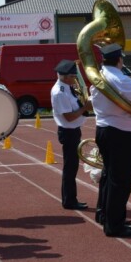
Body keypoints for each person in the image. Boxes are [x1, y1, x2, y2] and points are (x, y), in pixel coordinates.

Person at [91, 43, 131, 237]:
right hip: (121, 134)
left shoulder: (98, 77)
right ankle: (114, 225)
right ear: (119, 59)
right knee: (121, 181)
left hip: (105, 130)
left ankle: (106, 216)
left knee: (110, 177)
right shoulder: (121, 79)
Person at [51, 59, 92, 210]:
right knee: (70, 168)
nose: (75, 79)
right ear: (65, 76)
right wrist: (85, 108)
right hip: (68, 132)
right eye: (73, 76)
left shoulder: (66, 88)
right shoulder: (60, 92)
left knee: (72, 167)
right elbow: (68, 116)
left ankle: (70, 199)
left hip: (73, 130)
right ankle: (69, 200)